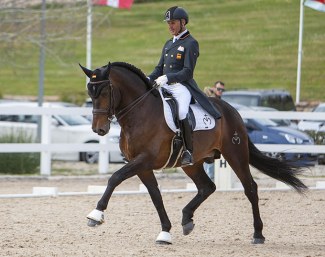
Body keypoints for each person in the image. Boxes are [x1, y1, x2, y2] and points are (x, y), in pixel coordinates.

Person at [148, 6, 221, 166]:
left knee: (181, 112)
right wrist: (148, 78)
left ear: (182, 22)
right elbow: (159, 68)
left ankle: (188, 150)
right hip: (165, 84)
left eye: (173, 23)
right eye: (168, 23)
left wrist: (168, 77)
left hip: (182, 86)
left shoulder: (191, 43)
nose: (170, 27)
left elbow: (188, 72)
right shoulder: (168, 44)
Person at [203, 81, 225, 180]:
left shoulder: (220, 100)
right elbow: (205, 89)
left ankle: (210, 177)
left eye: (222, 90)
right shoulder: (211, 97)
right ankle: (208, 177)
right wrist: (212, 89)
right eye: (219, 89)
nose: (220, 91)